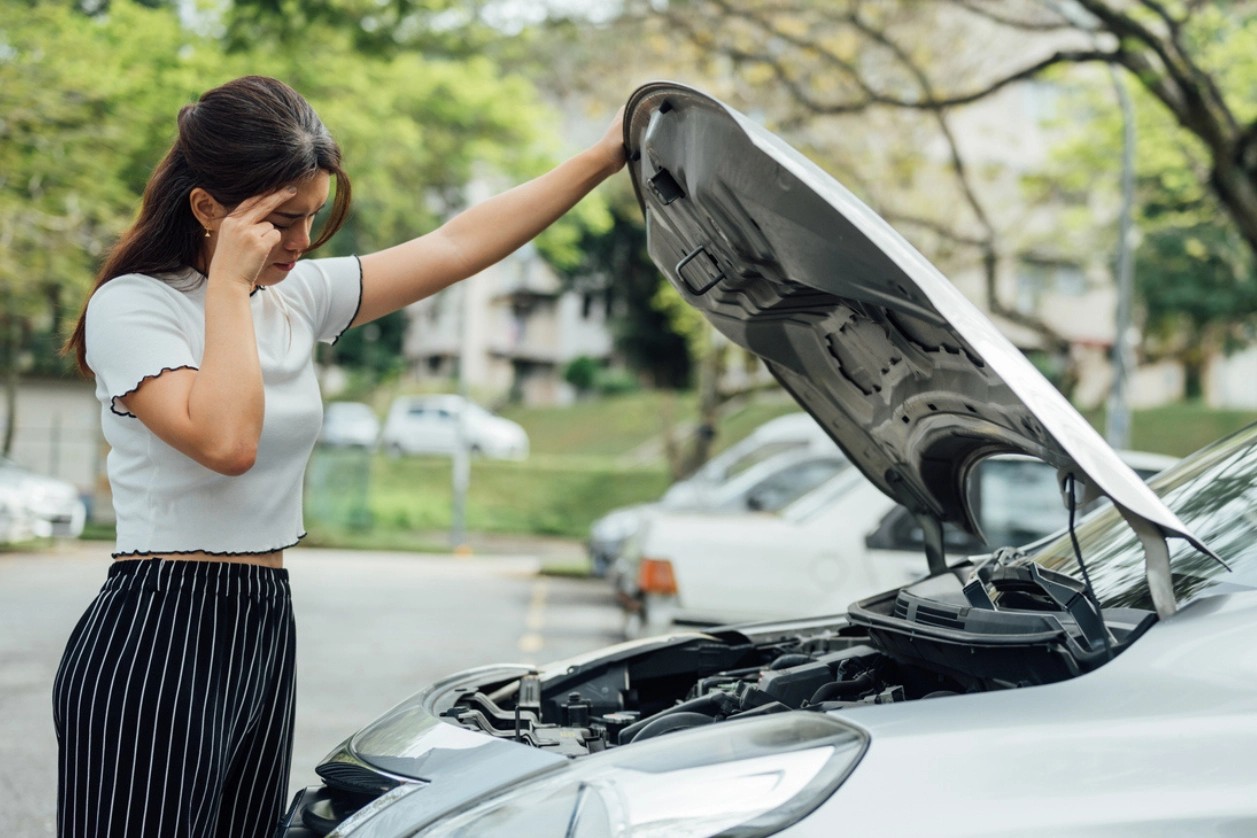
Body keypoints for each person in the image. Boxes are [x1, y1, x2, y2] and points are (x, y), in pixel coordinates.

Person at [53, 74, 626, 837]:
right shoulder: (135, 305)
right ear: (207, 209)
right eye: (281, 221)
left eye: (312, 218)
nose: (300, 243)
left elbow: (457, 244)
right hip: (158, 628)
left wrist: (605, 155)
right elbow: (227, 443)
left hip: (261, 624)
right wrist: (228, 285)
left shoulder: (294, 296)